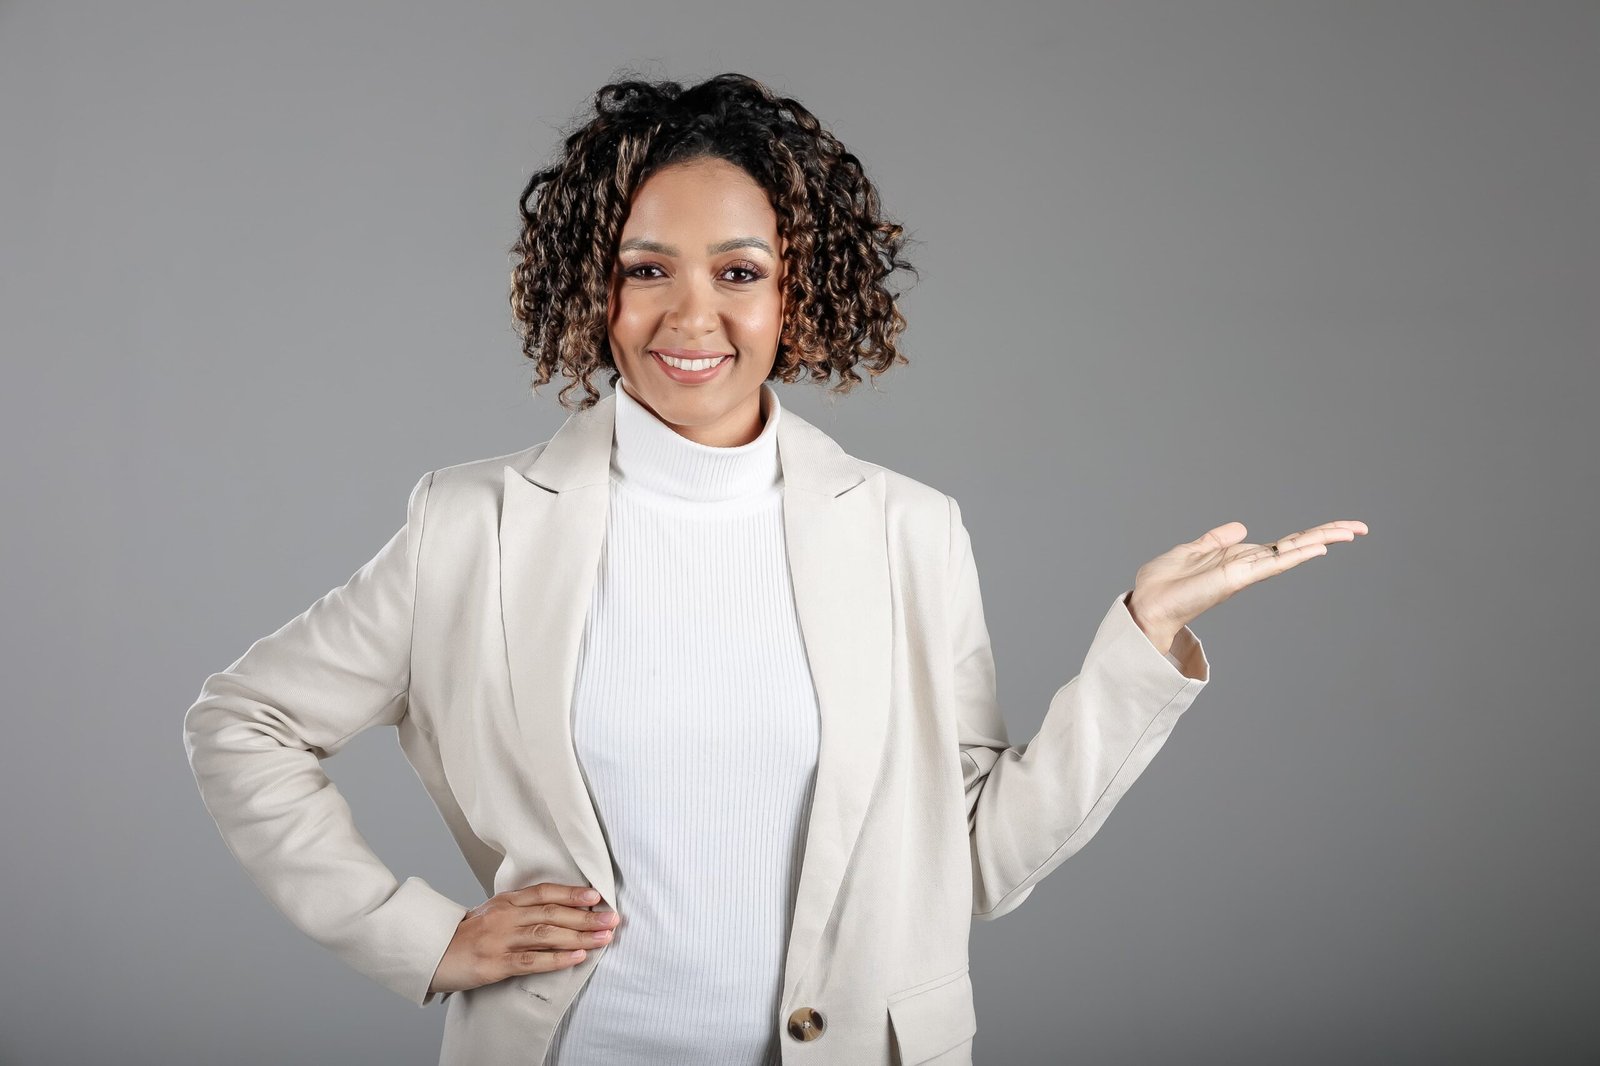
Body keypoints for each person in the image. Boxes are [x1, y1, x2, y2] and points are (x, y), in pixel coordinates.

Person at [183, 72, 1367, 1066]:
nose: (690, 315)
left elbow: (969, 866)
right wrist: (423, 938)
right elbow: (243, 722)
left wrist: (1138, 646)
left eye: (738, 272)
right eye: (647, 268)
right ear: (593, 285)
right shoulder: (475, 526)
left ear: (798, 289)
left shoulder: (907, 529)